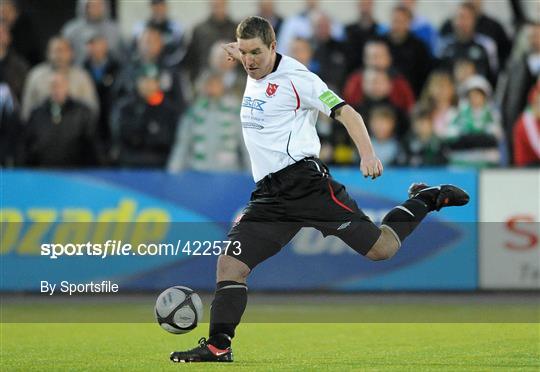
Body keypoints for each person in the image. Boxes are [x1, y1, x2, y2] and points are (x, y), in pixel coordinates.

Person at [169, 16, 470, 363]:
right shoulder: (251, 61)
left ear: (274, 48)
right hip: (269, 196)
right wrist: (234, 49)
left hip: (306, 185)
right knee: (230, 266)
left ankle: (425, 199)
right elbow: (245, 48)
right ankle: (218, 346)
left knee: (381, 249)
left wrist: (368, 154)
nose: (249, 61)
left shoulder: (300, 80)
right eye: (245, 53)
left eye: (256, 53)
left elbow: (348, 113)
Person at [22, 72, 97, 167]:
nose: (57, 90)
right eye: (53, 86)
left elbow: (91, 146)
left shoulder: (82, 113)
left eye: (60, 85)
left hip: (75, 172)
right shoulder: (37, 113)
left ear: (67, 87)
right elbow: (28, 143)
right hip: (42, 172)